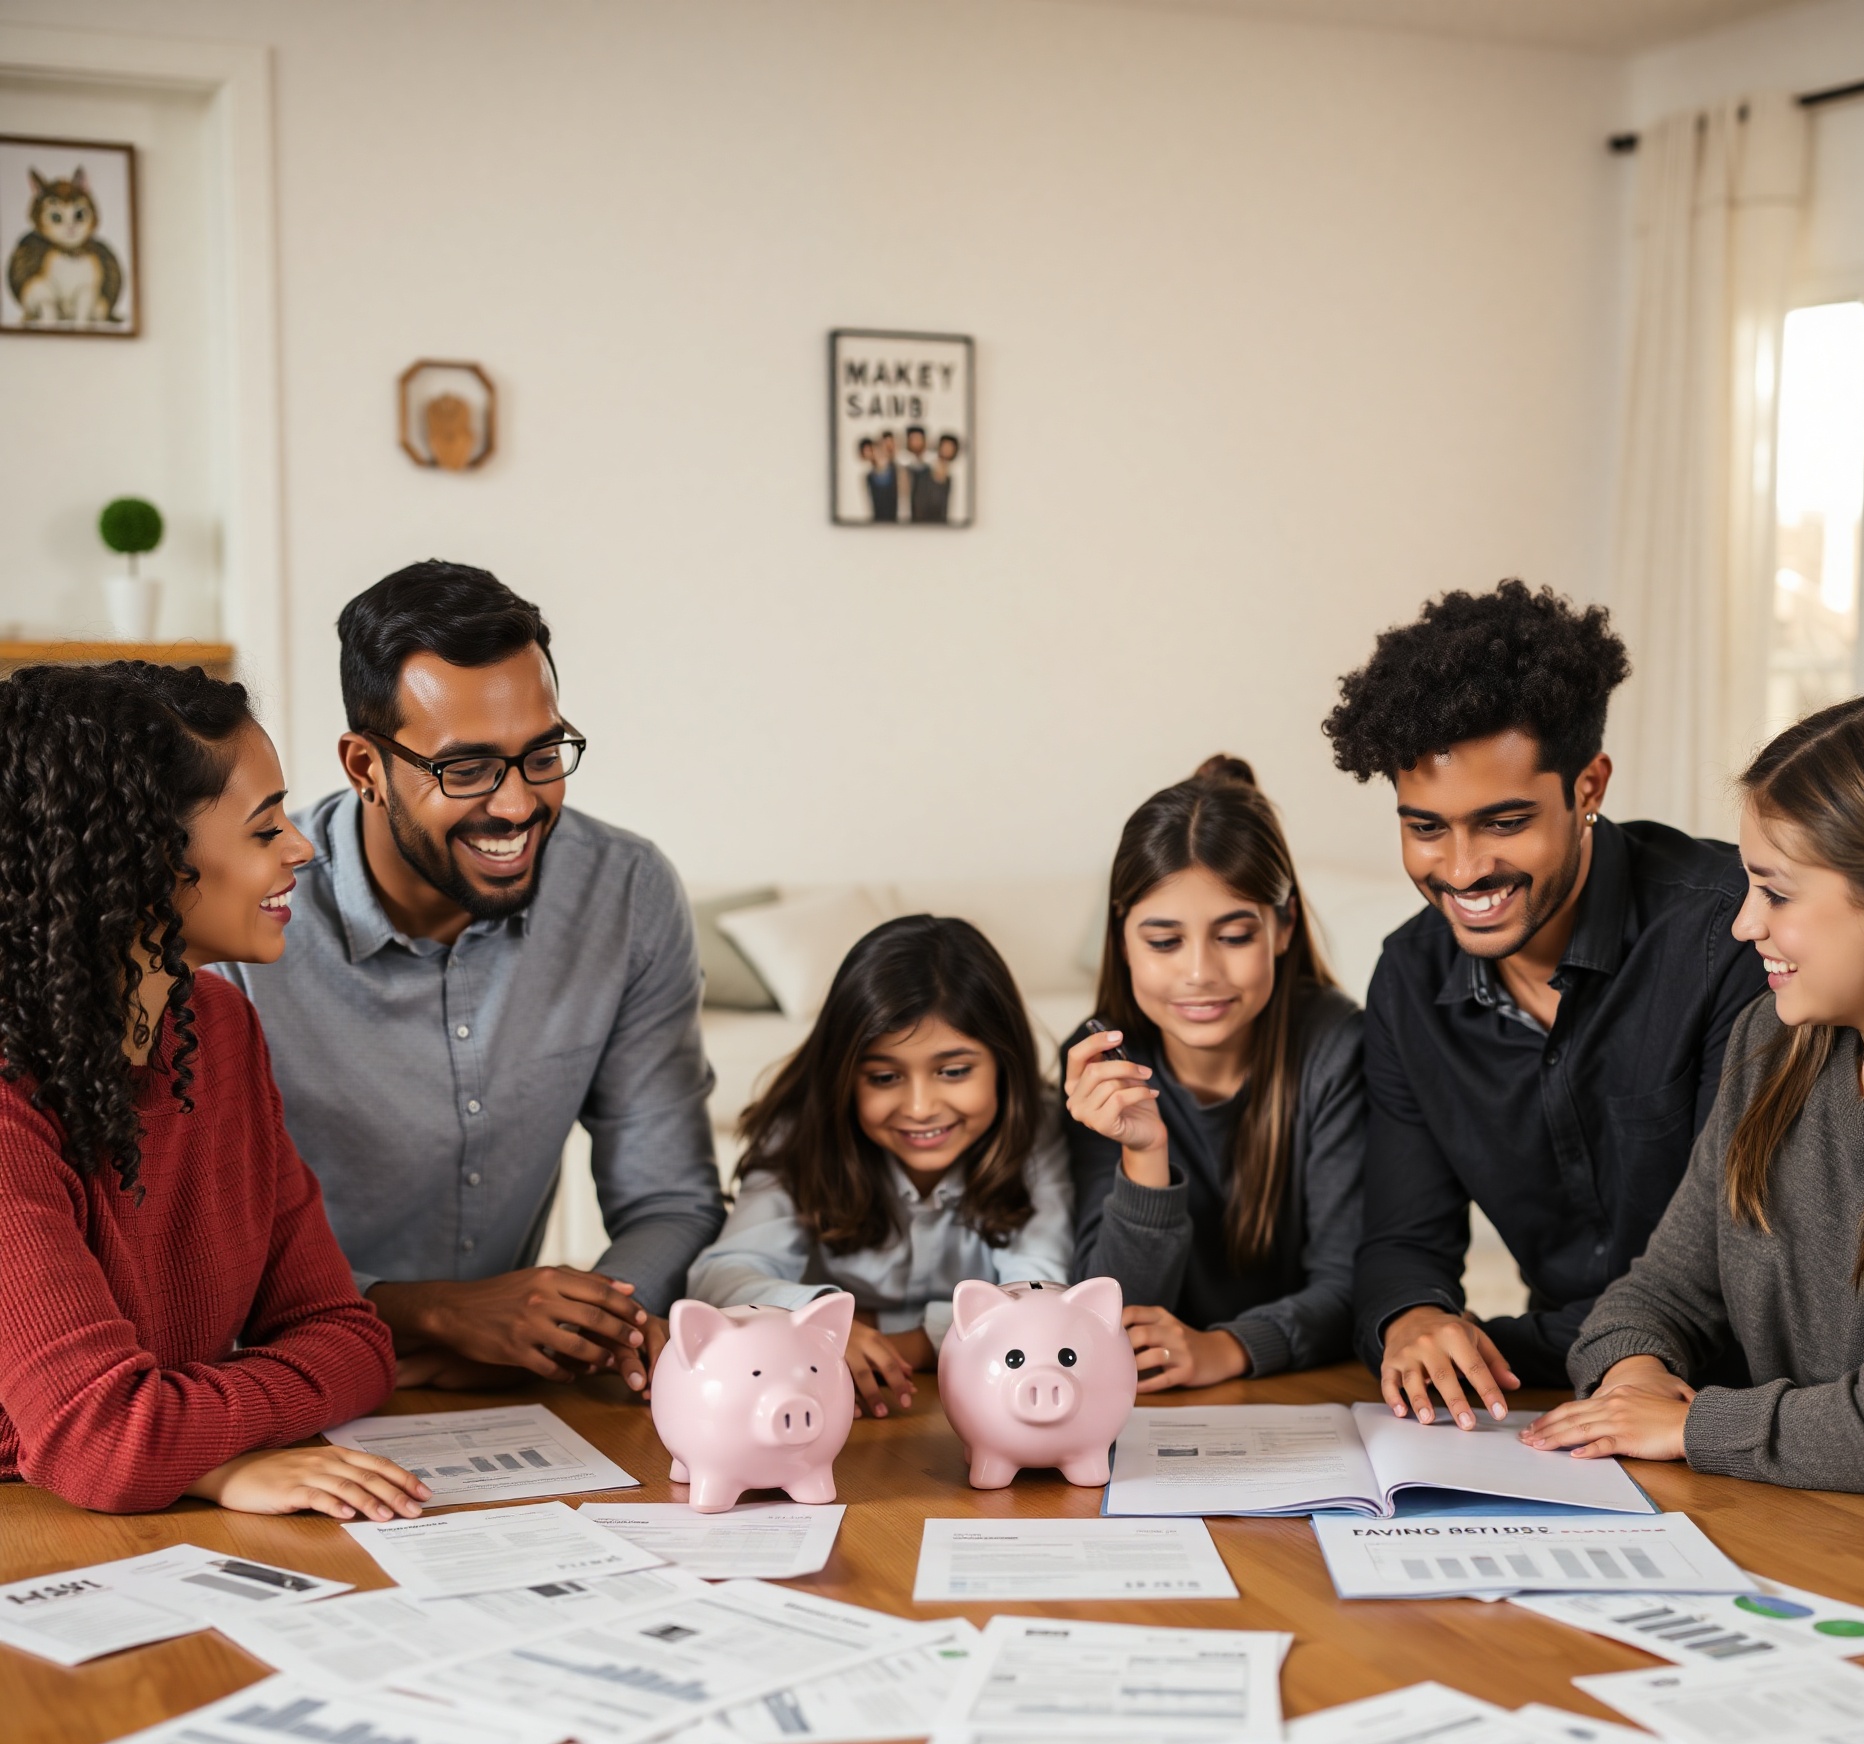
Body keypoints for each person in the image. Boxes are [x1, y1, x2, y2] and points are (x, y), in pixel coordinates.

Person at [1524, 685, 1864, 1515]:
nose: (1744, 926)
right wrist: (1631, 1383)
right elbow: (1656, 1297)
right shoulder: (1771, 1042)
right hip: (1829, 1525)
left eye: (1775, 893)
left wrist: (1690, 1426)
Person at [214, 561, 722, 1396]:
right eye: (468, 769)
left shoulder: (626, 892)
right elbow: (202, 1257)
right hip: (280, 1386)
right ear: (365, 768)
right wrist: (437, 1314)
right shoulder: (243, 922)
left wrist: (587, 1322)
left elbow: (670, 1201)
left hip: (508, 1391)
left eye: (542, 754)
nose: (517, 806)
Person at [1325, 580, 1768, 1425]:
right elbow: (1402, 1241)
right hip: (1567, 1404)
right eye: (1426, 828)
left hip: (1730, 1410)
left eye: (1504, 823)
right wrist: (1414, 1321)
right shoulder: (1408, 980)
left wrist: (1496, 1348)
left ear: (1588, 786)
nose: (1462, 870)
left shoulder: (1731, 938)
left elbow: (1731, 1266)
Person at [0, 663, 420, 1519]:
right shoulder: (11, 1096)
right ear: (140, 858)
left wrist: (177, 1439)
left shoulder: (220, 1031)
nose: (302, 848)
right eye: (265, 828)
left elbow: (350, 1340)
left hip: (130, 1518)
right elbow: (101, 1441)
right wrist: (197, 1457)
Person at [688, 915, 1072, 1417]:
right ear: (844, 1076)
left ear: (1005, 1064)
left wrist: (891, 1338)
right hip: (826, 1401)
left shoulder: (1037, 1128)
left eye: (954, 1071)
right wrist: (819, 1317)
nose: (920, 1108)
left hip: (986, 1401)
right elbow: (720, 1279)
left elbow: (1041, 1299)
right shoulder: (803, 1132)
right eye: (885, 1077)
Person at [1063, 757, 1364, 1385]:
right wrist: (1144, 1153)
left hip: (1297, 1386)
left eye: (1233, 936)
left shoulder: (1337, 1047)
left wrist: (1224, 1348)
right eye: (1164, 942)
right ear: (1122, 939)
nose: (1200, 973)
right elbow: (1105, 1316)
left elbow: (1352, 1282)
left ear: (1283, 928)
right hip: (1150, 1401)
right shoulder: (1101, 1065)